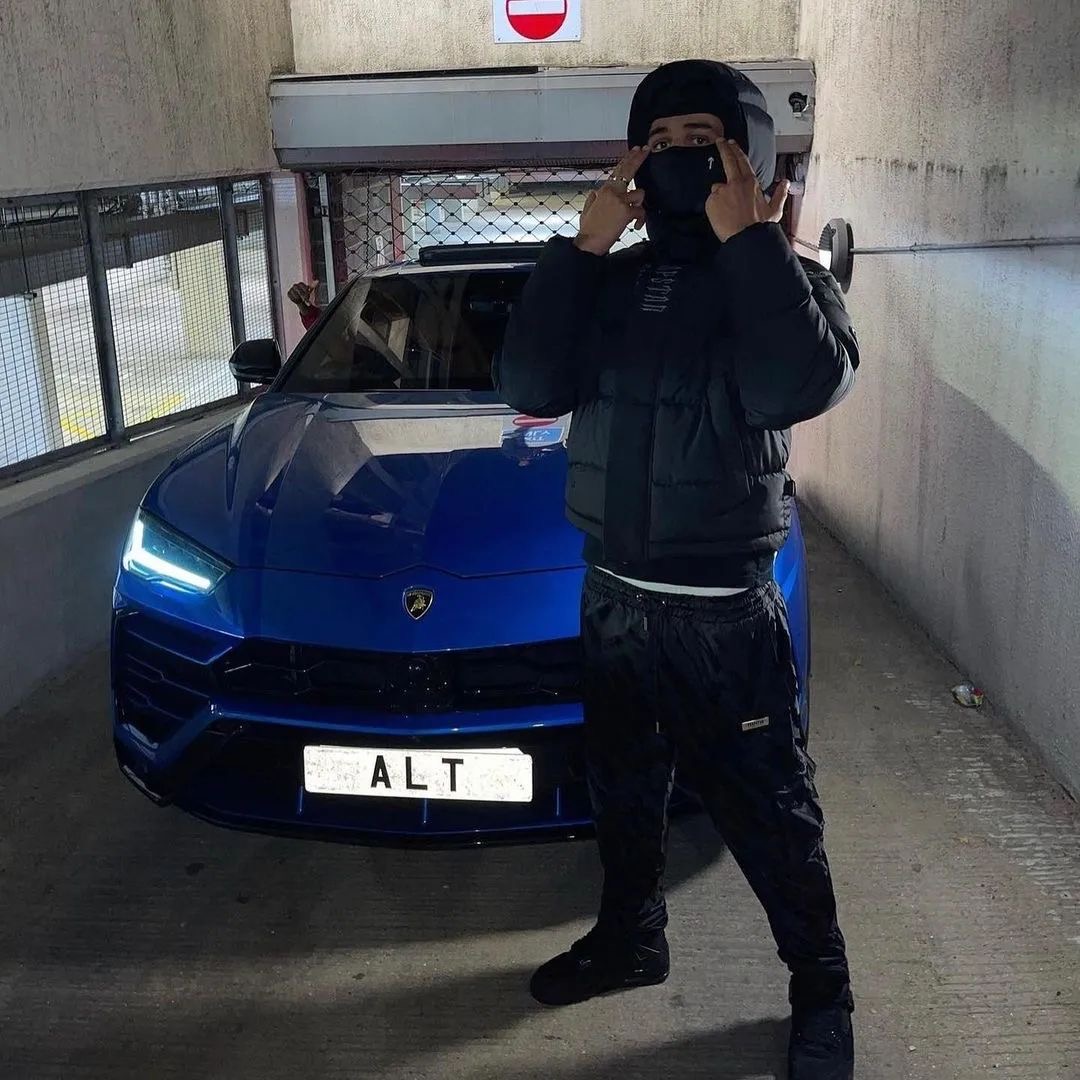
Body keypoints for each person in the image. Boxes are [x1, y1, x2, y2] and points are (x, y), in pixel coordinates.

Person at [495, 60, 859, 1080]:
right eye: (661, 141)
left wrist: (752, 243)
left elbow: (795, 386)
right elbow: (529, 383)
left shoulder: (795, 285)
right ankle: (631, 939)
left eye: (705, 138)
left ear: (750, 157)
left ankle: (822, 991)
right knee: (621, 792)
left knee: (770, 813)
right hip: (613, 595)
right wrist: (582, 248)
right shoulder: (608, 283)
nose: (681, 157)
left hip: (723, 615)